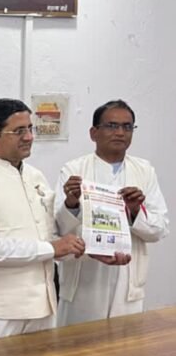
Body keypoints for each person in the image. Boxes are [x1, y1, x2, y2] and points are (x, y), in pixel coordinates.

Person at [0, 99, 85, 343]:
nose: (29, 137)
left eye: (30, 128)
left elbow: (48, 234)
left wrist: (70, 213)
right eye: (19, 131)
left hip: (43, 305)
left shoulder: (35, 176)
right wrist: (52, 248)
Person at [55, 100, 169, 326]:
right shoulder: (74, 170)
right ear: (93, 133)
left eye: (127, 127)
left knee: (125, 345)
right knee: (78, 344)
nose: (120, 132)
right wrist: (71, 203)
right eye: (112, 125)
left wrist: (134, 212)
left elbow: (159, 229)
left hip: (127, 281)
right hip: (83, 279)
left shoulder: (144, 171)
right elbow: (58, 229)